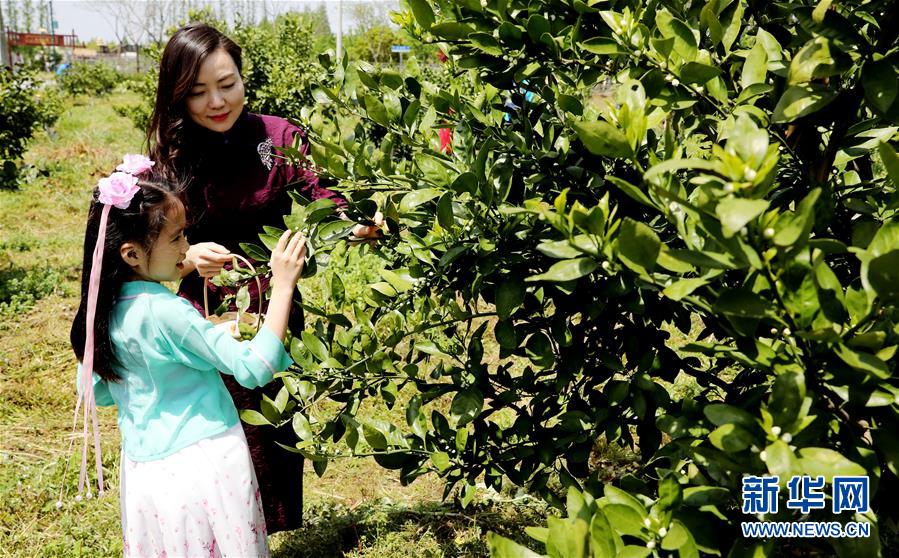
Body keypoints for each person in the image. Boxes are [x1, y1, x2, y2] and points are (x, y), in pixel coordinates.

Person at [145, 23, 382, 533]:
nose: (216, 101)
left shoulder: (277, 139)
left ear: (242, 76)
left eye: (226, 84)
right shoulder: (170, 155)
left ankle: (256, 533)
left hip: (271, 299)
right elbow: (139, 250)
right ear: (177, 95)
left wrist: (356, 221)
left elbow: (328, 197)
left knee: (267, 421)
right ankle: (209, 531)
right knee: (209, 430)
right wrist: (187, 260)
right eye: (198, 91)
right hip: (199, 312)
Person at [67, 154, 307, 556]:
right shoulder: (168, 312)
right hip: (208, 465)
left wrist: (193, 343)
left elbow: (101, 392)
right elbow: (254, 368)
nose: (187, 247)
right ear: (131, 254)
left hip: (146, 476)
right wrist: (282, 285)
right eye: (177, 237)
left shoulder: (101, 314)